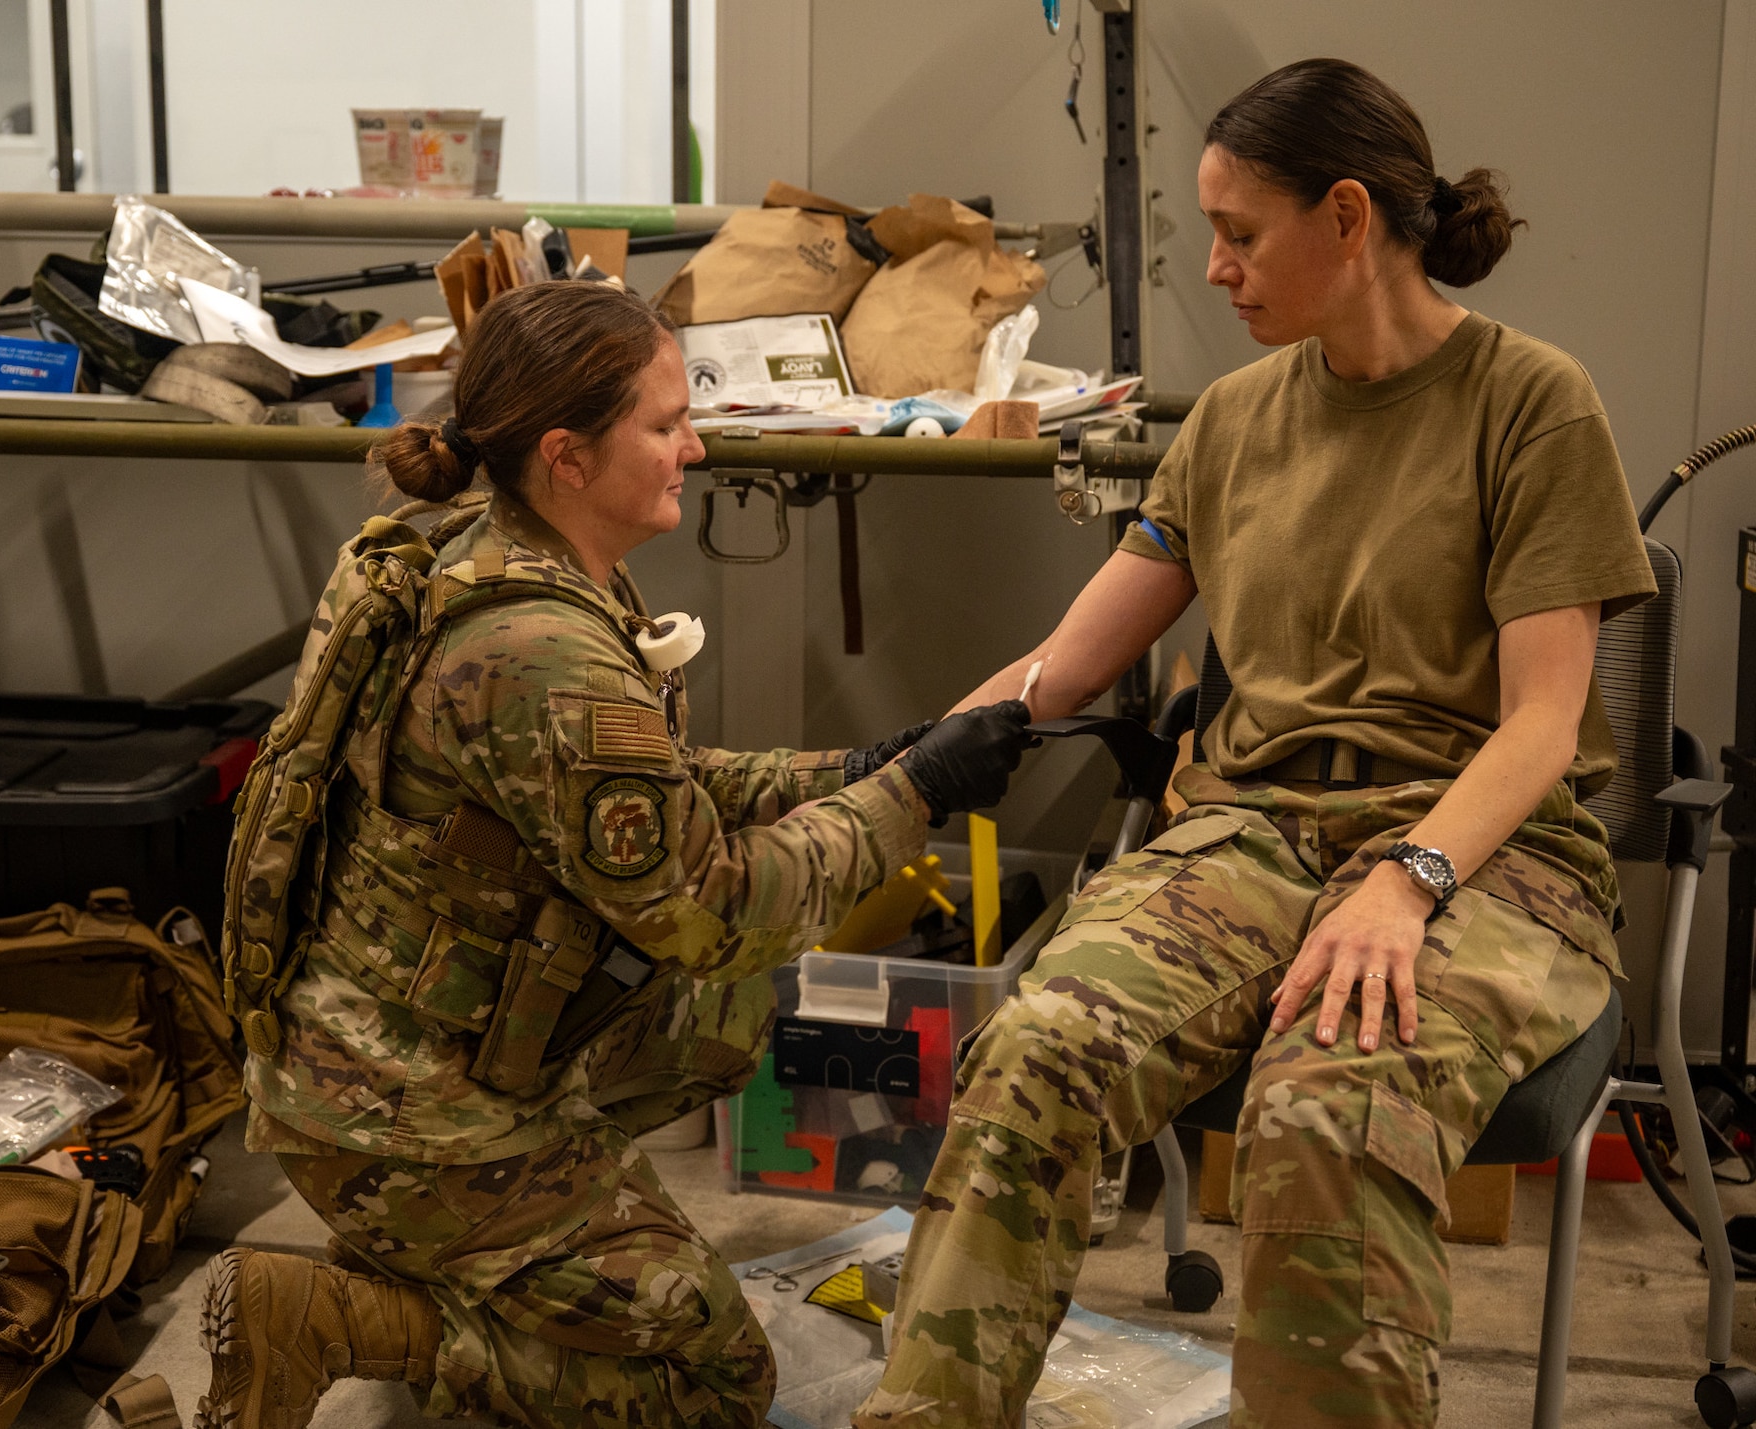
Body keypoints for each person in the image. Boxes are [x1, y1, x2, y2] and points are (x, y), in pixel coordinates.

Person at [856, 57, 1658, 1429]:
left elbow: (1540, 724)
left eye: (1239, 233)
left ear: (1349, 219)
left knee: (1328, 1110)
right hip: (1254, 830)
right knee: (1036, 1051)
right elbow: (1067, 665)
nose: (1214, 268)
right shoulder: (1232, 420)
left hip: (1484, 848)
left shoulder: (1533, 402)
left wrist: (1408, 884)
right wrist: (890, 781)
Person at [194, 279, 1037, 1429]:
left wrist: (861, 765)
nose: (695, 444)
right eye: (663, 422)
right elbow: (711, 904)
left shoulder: (516, 562)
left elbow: (664, 797)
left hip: (377, 1063)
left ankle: (456, 1253)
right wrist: (911, 796)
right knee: (711, 1380)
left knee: (723, 1012)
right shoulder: (538, 648)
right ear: (566, 455)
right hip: (406, 1114)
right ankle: (363, 1315)